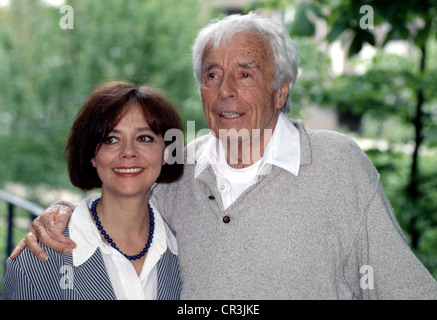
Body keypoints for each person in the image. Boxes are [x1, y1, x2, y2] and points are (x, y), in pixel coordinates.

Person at [11, 13, 437, 299]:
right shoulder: (178, 169)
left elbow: (409, 291)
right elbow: (120, 203)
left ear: (281, 90)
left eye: (245, 74)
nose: (225, 90)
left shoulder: (337, 165)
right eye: (212, 74)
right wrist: (63, 213)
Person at [3, 81, 183, 300]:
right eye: (111, 139)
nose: (128, 152)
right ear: (92, 156)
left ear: (166, 153)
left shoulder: (188, 254)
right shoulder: (38, 261)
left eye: (144, 138)